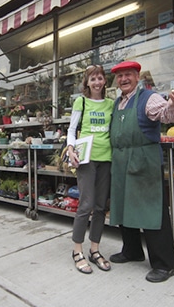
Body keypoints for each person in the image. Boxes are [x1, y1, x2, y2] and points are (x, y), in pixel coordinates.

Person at [108, 60, 174, 283]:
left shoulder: (149, 97)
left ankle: (165, 264)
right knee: (125, 207)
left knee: (152, 210)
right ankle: (132, 251)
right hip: (121, 160)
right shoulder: (117, 103)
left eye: (128, 75)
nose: (123, 79)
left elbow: (167, 115)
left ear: (137, 77)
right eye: (120, 76)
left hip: (143, 159)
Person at [66, 65, 114, 274]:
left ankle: (95, 249)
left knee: (101, 207)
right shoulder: (81, 101)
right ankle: (77, 250)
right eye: (92, 79)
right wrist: (70, 148)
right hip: (86, 159)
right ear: (87, 82)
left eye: (100, 78)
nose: (96, 82)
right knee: (85, 205)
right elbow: (71, 129)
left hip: (107, 159)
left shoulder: (112, 104)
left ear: (105, 81)